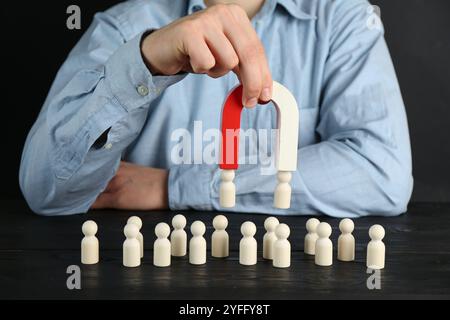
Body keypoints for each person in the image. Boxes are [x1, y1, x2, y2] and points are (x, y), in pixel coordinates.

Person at [19, 0, 413, 217]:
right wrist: (146, 61)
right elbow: (46, 191)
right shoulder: (125, 27)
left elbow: (381, 172)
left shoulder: (343, 19)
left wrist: (170, 187)